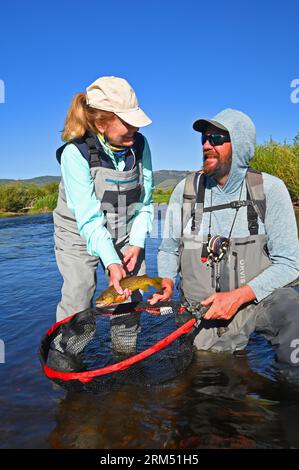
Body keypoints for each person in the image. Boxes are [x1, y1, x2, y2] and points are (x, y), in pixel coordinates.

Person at [149, 108, 299, 368]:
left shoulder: (269, 190)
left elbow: (290, 262)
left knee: (295, 318)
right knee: (208, 371)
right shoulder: (183, 192)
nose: (207, 145)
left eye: (217, 139)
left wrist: (237, 297)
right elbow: (168, 249)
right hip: (202, 310)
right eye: (204, 139)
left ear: (239, 146)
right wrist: (166, 281)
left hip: (257, 301)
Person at [53, 76, 154, 321]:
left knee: (129, 297)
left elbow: (145, 204)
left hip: (125, 228)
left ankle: (126, 351)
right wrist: (111, 262)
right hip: (78, 232)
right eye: (127, 122)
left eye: (135, 121)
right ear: (100, 123)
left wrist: (137, 243)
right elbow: (88, 219)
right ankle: (66, 355)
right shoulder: (74, 153)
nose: (135, 129)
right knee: (78, 296)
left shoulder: (140, 145)